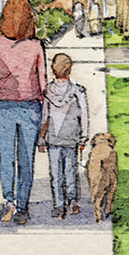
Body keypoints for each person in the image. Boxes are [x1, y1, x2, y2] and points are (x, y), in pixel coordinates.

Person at [0, 0, 48, 225]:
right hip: (31, 106)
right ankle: (22, 207)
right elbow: (42, 80)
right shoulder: (36, 46)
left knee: (5, 158)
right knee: (26, 159)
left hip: (3, 106)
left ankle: (8, 201)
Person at [37, 53, 89, 220]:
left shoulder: (48, 90)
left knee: (55, 174)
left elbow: (45, 116)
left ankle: (58, 205)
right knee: (70, 171)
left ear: (53, 70)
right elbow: (84, 115)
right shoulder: (78, 90)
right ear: (70, 69)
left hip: (53, 137)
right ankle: (72, 200)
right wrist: (84, 137)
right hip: (71, 136)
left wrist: (41, 138)